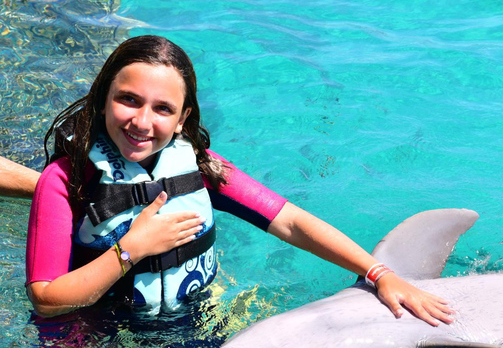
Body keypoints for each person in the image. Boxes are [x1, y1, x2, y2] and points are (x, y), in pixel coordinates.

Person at [26, 34, 453, 327]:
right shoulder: (64, 180)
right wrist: (132, 249)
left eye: (162, 109)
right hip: (96, 338)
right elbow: (46, 301)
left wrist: (380, 274)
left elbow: (290, 221)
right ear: (104, 99)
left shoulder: (201, 166)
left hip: (192, 321)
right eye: (128, 100)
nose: (141, 121)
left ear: (182, 120)